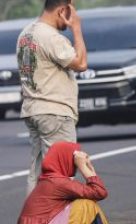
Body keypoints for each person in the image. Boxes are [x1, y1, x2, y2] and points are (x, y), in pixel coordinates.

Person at [17, 142, 130, 224]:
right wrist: (84, 167)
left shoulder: (50, 179)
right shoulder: (58, 182)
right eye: (73, 158)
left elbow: (96, 192)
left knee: (83, 204)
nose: (75, 163)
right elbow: (100, 192)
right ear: (64, 159)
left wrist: (89, 168)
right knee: (85, 205)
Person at [17, 0, 88, 195]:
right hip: (54, 112)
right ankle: (55, 223)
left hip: (33, 110)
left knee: (38, 173)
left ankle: (34, 222)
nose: (71, 18)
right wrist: (77, 28)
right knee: (60, 175)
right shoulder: (50, 37)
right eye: (70, 12)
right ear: (62, 10)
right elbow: (81, 63)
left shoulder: (26, 34)